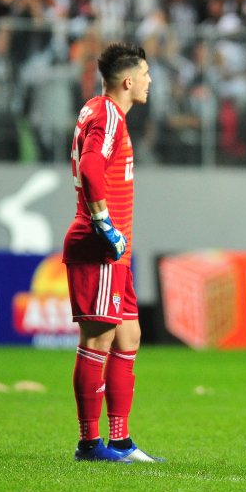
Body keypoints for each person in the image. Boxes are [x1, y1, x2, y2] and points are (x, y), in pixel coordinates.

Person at [61, 42, 165, 463]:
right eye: (144, 74)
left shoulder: (99, 110)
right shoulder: (106, 114)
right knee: (98, 338)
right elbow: (90, 168)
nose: (149, 81)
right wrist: (104, 223)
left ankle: (120, 441)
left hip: (116, 254)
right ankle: (90, 444)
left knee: (129, 335)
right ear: (128, 81)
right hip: (99, 246)